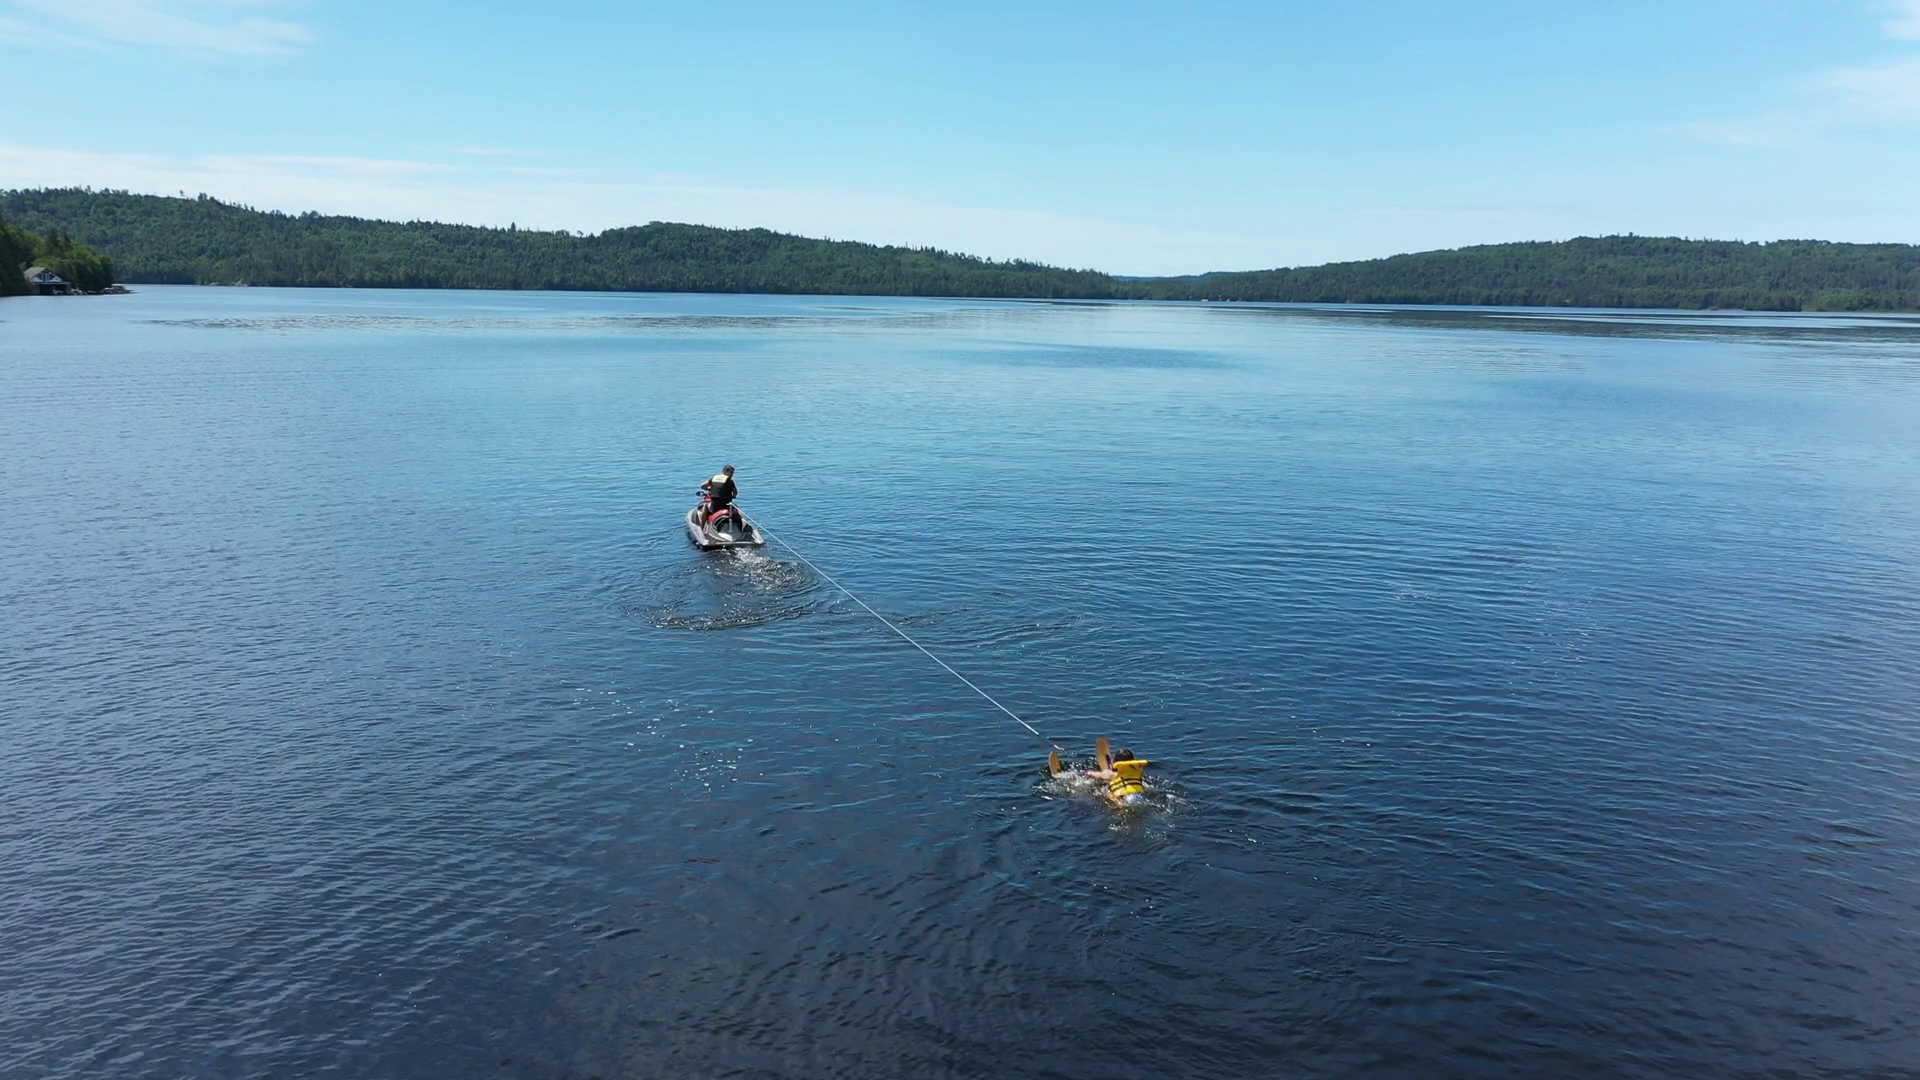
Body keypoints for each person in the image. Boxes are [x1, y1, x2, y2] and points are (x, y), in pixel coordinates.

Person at [1083, 747, 1151, 807]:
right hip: (1139, 797)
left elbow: (1097, 775)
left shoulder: (1112, 774)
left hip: (1123, 800)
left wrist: (1088, 773)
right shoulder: (1138, 771)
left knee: (1105, 792)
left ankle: (1119, 805)